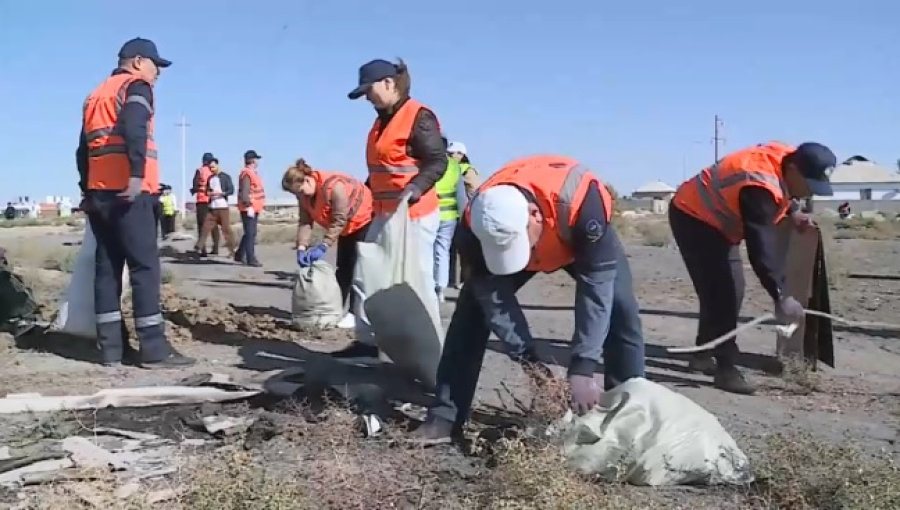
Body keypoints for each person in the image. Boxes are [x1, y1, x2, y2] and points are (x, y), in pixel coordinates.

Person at [410, 155, 647, 444]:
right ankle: (446, 417)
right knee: (469, 317)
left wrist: (583, 367)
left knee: (621, 310)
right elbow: (496, 304)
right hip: (525, 234)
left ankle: (627, 416)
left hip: (572, 234)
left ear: (535, 215)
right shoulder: (473, 227)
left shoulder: (584, 205)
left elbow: (596, 294)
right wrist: (532, 366)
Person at [668, 141, 835, 395]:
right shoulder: (758, 185)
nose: (810, 193)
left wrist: (793, 210)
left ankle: (702, 354)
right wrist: (781, 296)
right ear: (794, 170)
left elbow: (782, 190)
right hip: (694, 216)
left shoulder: (787, 160)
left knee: (719, 290)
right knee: (726, 291)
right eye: (809, 186)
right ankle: (725, 368)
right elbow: (761, 248)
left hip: (718, 220)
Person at [76, 37, 194, 368]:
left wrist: (87, 191)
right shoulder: (136, 86)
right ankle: (154, 350)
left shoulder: (95, 95)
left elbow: (83, 149)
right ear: (139, 61)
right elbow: (135, 126)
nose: (159, 73)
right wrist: (137, 175)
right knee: (144, 268)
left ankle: (111, 350)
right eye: (157, 65)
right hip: (131, 194)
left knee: (108, 268)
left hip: (100, 195)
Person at [335, 58, 447, 359]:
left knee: (417, 283)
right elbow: (383, 168)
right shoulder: (379, 122)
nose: (367, 98)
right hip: (384, 214)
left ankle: (433, 353)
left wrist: (415, 188)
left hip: (415, 215)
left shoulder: (418, 116)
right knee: (365, 274)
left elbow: (438, 160)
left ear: (389, 83)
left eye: (369, 90)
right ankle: (366, 344)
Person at [282, 159, 374, 329]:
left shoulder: (334, 186)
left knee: (358, 269)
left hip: (363, 220)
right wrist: (302, 247)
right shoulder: (304, 196)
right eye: (297, 194)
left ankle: (354, 314)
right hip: (345, 228)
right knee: (343, 268)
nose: (301, 195)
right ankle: (334, 309)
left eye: (301, 191)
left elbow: (340, 219)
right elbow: (305, 221)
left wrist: (324, 245)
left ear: (308, 180)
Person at [446, 141, 480, 288]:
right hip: (450, 214)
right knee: (449, 249)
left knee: (464, 251)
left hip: (464, 216)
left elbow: (475, 191)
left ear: (461, 154)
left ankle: (465, 281)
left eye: (452, 153)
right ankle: (451, 280)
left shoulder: (467, 171)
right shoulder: (450, 169)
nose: (449, 156)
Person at [432, 137, 463, 303]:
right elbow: (460, 194)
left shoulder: (427, 162)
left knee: (426, 251)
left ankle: (428, 286)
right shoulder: (454, 166)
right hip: (450, 215)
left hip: (429, 213)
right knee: (442, 251)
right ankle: (440, 289)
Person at [193, 158, 237, 258]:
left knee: (226, 229)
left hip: (222, 207)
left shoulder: (225, 177)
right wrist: (208, 193)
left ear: (217, 165)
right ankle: (199, 246)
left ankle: (233, 249)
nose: (212, 169)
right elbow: (207, 190)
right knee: (205, 227)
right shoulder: (210, 178)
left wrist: (222, 193)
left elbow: (231, 190)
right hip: (212, 207)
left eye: (213, 167)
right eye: (210, 168)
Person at [235, 150, 265, 267]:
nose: (258, 161)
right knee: (251, 234)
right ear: (252, 160)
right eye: (256, 159)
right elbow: (245, 192)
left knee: (249, 233)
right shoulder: (247, 174)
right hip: (249, 208)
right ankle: (251, 259)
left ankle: (239, 254)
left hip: (253, 207)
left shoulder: (252, 173)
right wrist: (248, 206)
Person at [190, 153, 221, 254]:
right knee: (214, 225)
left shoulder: (200, 171)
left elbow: (195, 184)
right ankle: (215, 248)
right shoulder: (215, 171)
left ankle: (203, 249)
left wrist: (194, 189)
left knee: (202, 225)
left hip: (202, 200)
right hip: (213, 200)